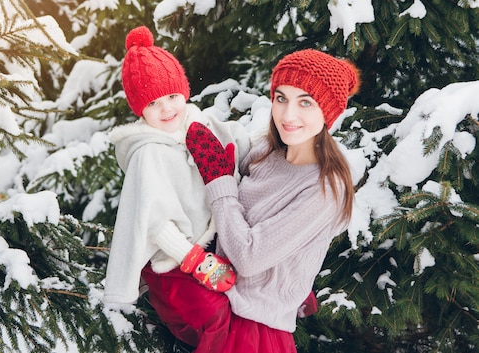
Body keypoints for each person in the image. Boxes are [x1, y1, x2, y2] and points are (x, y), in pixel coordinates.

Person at [146, 49, 359, 352]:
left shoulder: (325, 189)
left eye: (306, 103)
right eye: (281, 98)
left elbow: (248, 257)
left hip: (250, 329)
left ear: (328, 112)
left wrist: (219, 183)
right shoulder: (265, 152)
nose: (288, 115)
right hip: (213, 296)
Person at [102, 27, 251, 313]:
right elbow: (153, 222)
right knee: (213, 313)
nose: (166, 109)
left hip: (220, 240)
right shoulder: (147, 152)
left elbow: (242, 142)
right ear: (140, 111)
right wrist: (193, 259)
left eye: (171, 96)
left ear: (184, 92)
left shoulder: (199, 125)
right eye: (153, 103)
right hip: (178, 260)